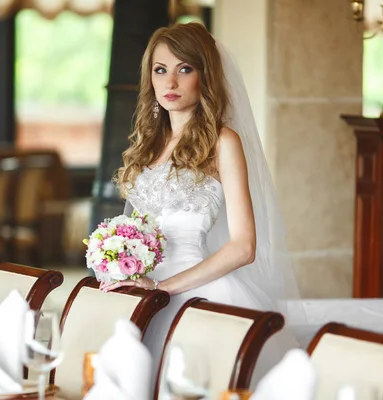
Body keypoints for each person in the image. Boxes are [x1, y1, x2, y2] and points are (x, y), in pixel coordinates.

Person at [101, 22, 302, 389]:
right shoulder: (149, 144)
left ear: (204, 75)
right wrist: (119, 263)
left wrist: (165, 289)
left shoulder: (224, 142)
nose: (170, 83)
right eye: (160, 70)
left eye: (185, 69)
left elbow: (244, 247)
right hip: (146, 291)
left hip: (200, 292)